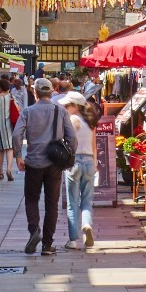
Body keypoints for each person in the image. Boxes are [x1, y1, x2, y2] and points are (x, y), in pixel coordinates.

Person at [13, 77, 75, 257]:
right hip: (54, 164)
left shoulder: (28, 111)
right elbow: (72, 138)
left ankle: (34, 230)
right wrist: (68, 155)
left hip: (33, 162)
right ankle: (47, 244)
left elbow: (17, 134)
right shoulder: (60, 111)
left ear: (35, 93)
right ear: (52, 92)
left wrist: (18, 155)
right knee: (52, 204)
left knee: (32, 199)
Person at [56, 91, 98, 250]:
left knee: (72, 202)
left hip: (74, 162)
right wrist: (94, 165)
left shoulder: (72, 121)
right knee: (87, 200)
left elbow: (63, 141)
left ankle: (73, 240)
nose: (65, 108)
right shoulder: (91, 122)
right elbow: (94, 146)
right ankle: (87, 224)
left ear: (76, 106)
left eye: (68, 105)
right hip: (88, 162)